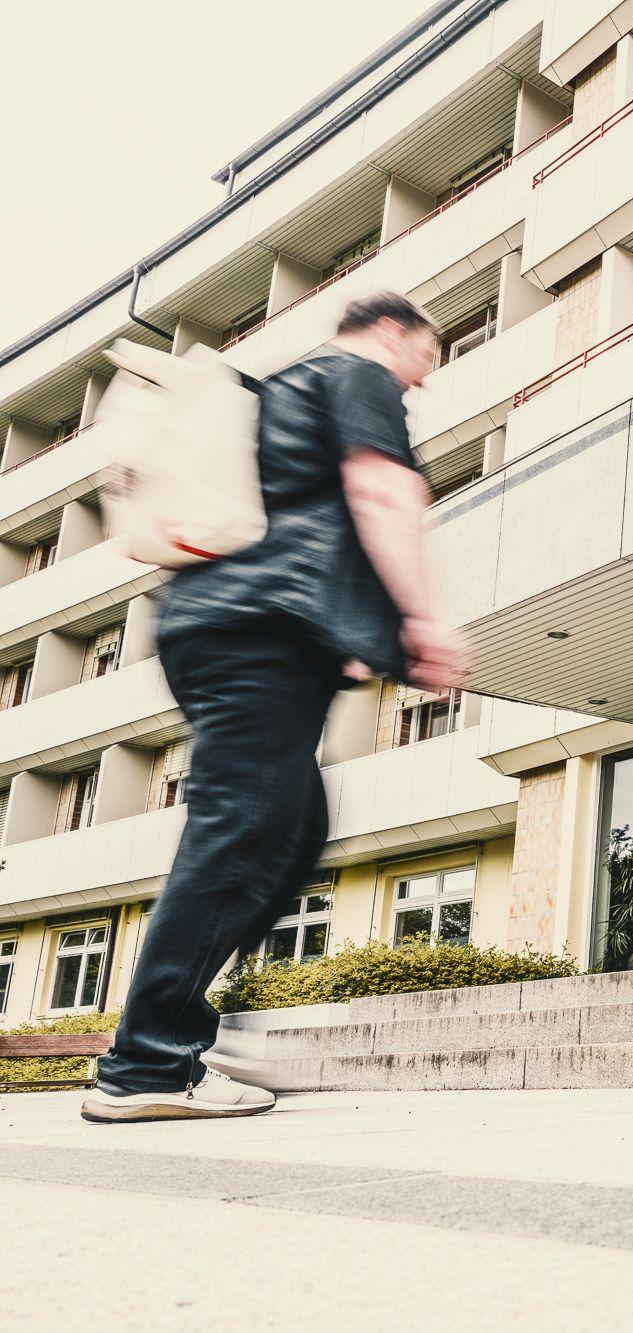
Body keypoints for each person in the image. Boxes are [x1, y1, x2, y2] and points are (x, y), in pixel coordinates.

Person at [83, 293, 465, 1123]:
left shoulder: (275, 398)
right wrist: (425, 619)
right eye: (423, 365)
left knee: (292, 835)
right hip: (261, 635)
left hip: (224, 626)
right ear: (394, 334)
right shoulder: (358, 375)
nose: (417, 386)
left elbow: (299, 518)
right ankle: (146, 1061)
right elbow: (383, 497)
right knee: (242, 832)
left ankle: (179, 1023)